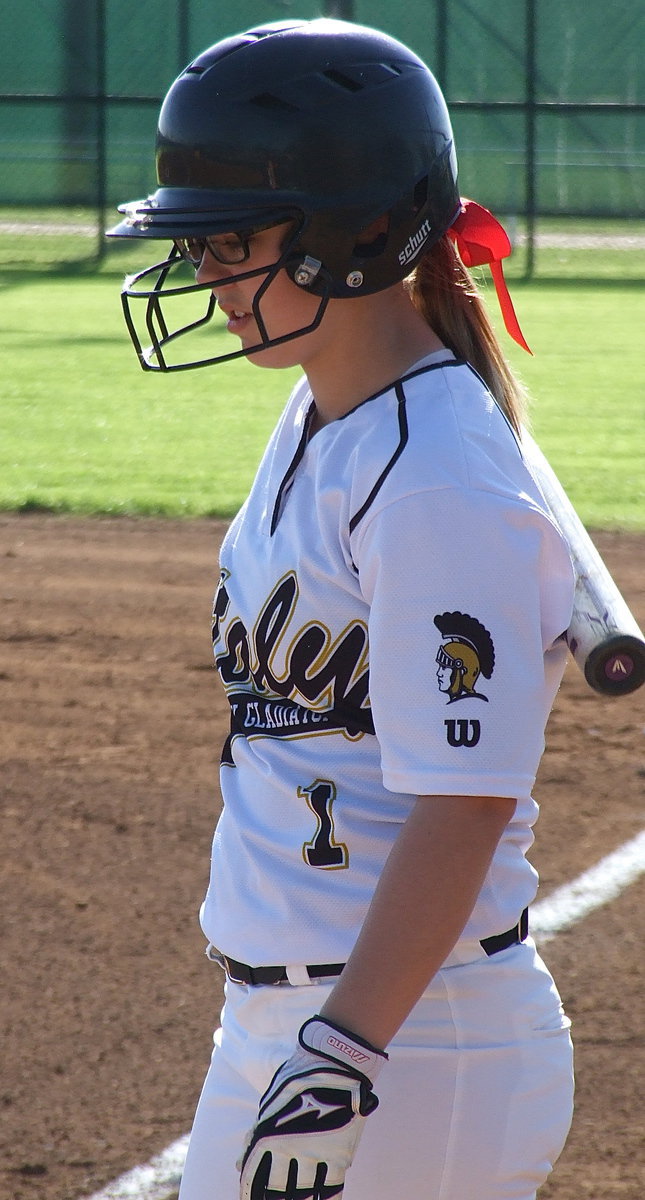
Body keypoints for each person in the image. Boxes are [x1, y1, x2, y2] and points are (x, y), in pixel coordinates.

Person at [108, 18, 575, 1200]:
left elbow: (467, 801)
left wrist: (343, 1054)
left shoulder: (437, 477)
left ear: (354, 235)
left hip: (406, 1036)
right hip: (302, 1021)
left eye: (231, 242)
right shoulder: (326, 410)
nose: (204, 273)